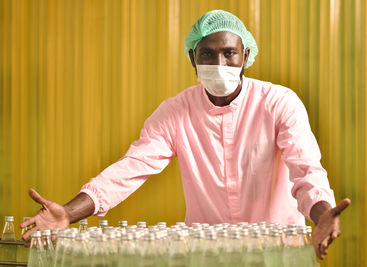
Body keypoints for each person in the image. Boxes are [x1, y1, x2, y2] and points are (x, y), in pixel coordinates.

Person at [21, 10, 350, 259]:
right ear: (192, 57)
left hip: (277, 251)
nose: (218, 62)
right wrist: (69, 212)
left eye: (229, 53)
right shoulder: (176, 112)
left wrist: (321, 214)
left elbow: (305, 169)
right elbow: (130, 168)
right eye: (207, 53)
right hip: (206, 254)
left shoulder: (278, 103)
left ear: (245, 56)